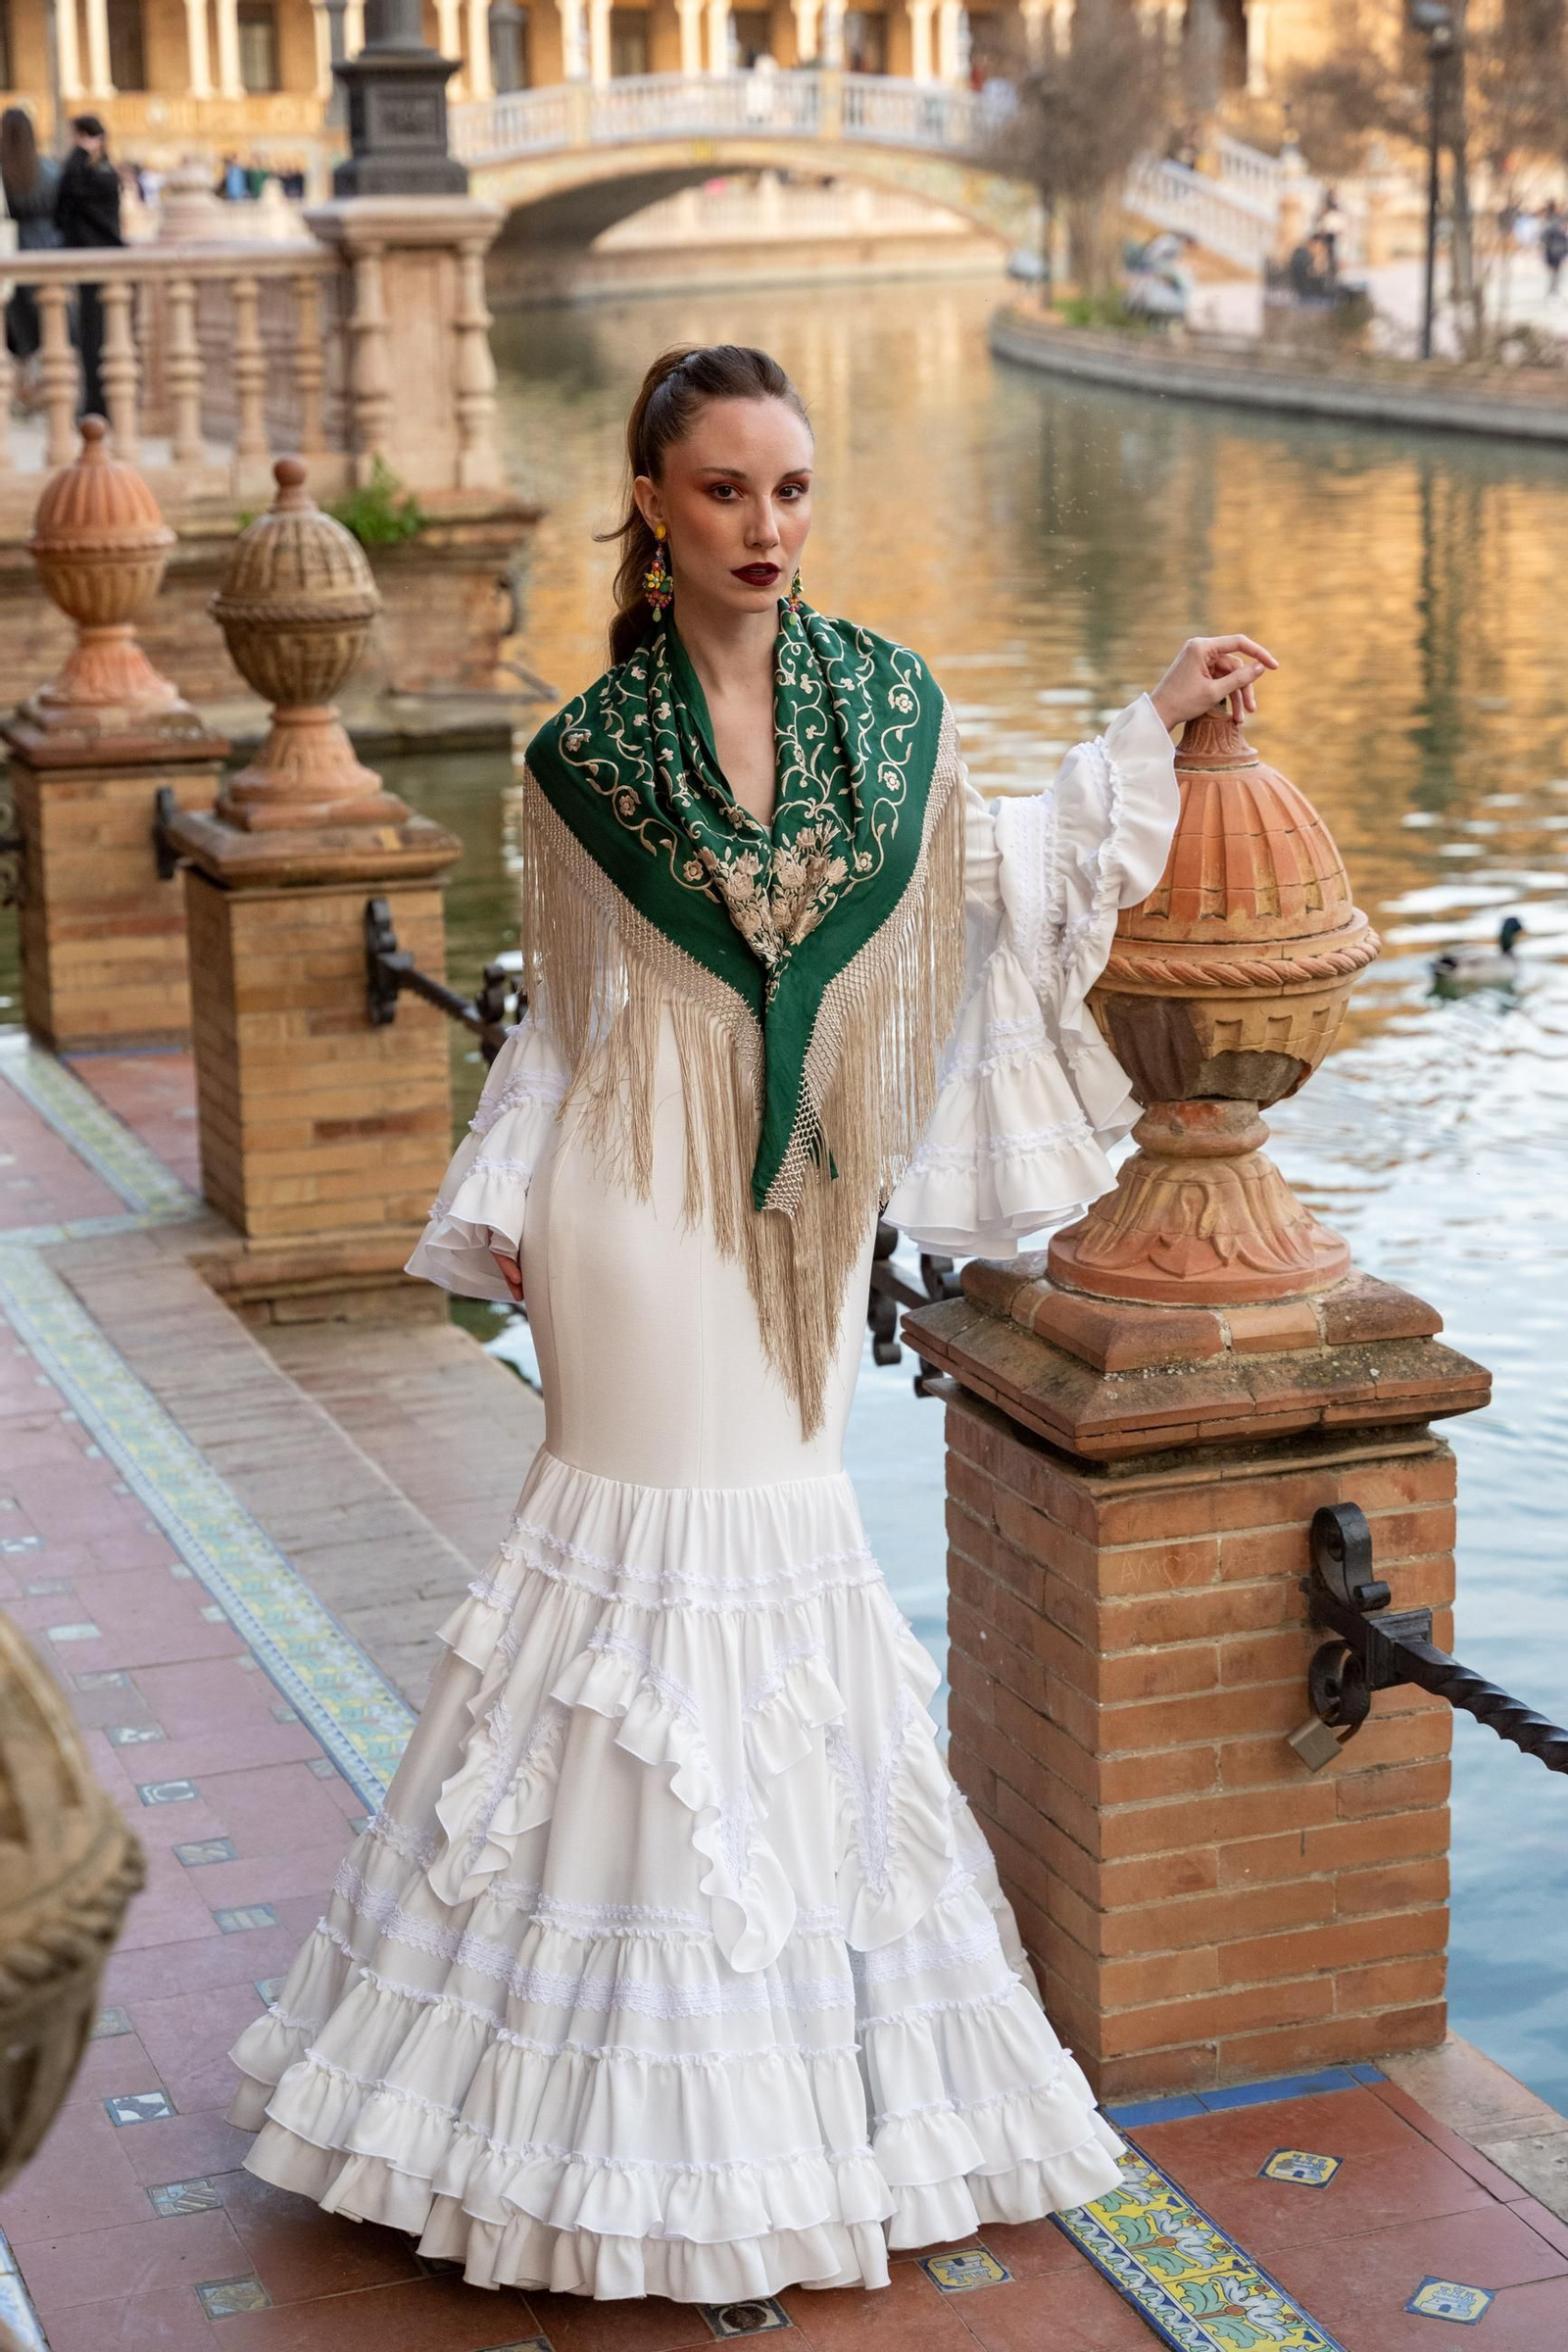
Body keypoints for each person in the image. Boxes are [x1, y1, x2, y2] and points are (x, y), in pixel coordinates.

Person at [226, 343, 1276, 2303]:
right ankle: (571, 2127)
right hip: (627, 1210)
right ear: (650, 502)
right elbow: (564, 1016)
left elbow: (997, 893)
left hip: (798, 1203)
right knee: (626, 1598)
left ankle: (784, 2103)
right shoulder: (580, 754)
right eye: (724, 490)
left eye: (790, 488)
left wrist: (1149, 718)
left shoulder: (887, 706)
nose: (765, 526)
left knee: (782, 1591)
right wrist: (505, 1199)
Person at [54, 114, 122, 418]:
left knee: (100, 336)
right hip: (87, 263)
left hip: (103, 265)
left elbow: (73, 191)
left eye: (81, 137)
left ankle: (100, 405)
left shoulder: (103, 175)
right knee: (89, 336)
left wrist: (81, 153)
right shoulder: (90, 173)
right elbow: (64, 200)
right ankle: (93, 404)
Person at [0, 106, 61, 371]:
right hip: (49, 246)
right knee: (50, 322)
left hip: (13, 248)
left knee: (20, 327)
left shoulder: (4, 173)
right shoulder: (48, 170)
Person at [1542, 200, 1567, 296]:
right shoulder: (1555, 222)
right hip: (1555, 250)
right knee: (1555, 272)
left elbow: (1544, 237)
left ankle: (1553, 289)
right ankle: (1553, 289)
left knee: (1554, 272)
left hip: (1554, 250)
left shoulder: (1550, 221)